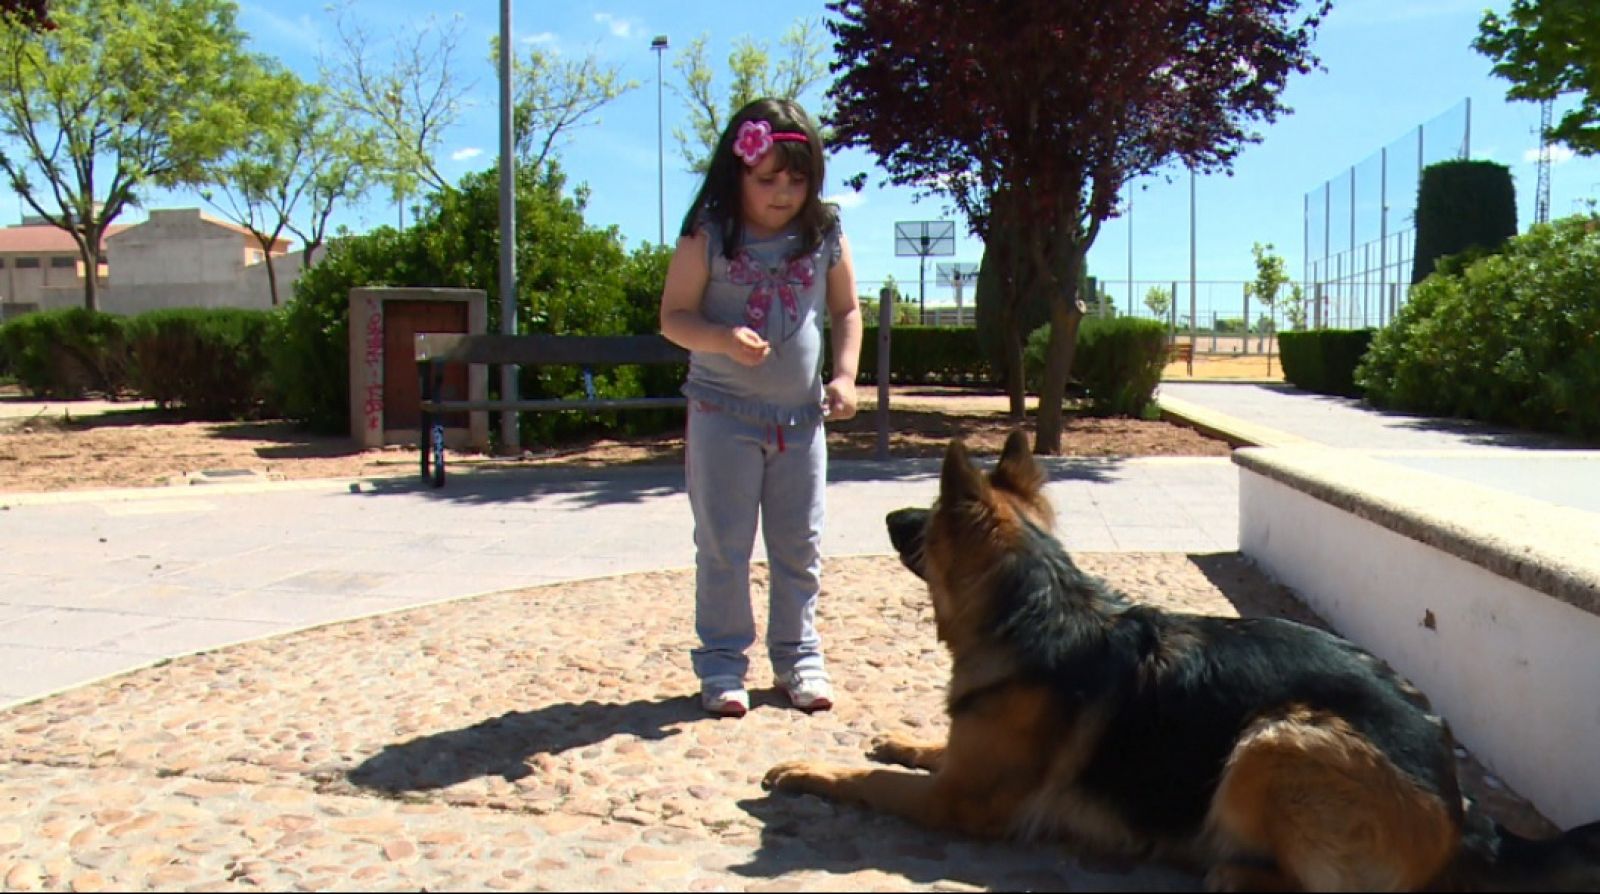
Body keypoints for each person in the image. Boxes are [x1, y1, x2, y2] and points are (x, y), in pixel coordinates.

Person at [659, 97, 862, 718]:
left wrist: (846, 375)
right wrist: (720, 339)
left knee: (799, 544)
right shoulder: (710, 234)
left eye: (796, 180)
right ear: (737, 171)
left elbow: (846, 311)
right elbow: (673, 318)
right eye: (767, 178)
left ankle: (799, 657)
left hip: (801, 422)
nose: (783, 193)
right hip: (724, 415)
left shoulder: (823, 233)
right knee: (723, 544)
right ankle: (722, 663)